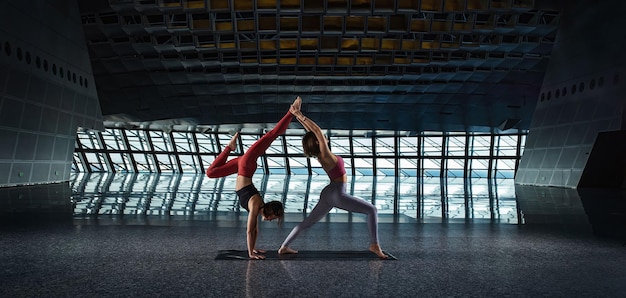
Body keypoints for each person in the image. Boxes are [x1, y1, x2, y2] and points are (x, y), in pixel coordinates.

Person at [278, 96, 388, 259]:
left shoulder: (323, 156)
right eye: (319, 139)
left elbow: (312, 132)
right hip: (337, 193)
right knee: (372, 210)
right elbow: (316, 131)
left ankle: (284, 247)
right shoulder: (326, 155)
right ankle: (374, 245)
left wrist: (297, 115)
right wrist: (299, 115)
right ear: (317, 143)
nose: (322, 137)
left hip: (329, 192)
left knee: (308, 222)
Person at [206, 97, 301, 259]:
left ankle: (230, 147)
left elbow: (254, 229)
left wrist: (254, 248)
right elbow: (250, 230)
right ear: (270, 212)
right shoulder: (257, 203)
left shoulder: (258, 207)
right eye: (273, 217)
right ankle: (290, 112)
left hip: (242, 166)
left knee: (211, 172)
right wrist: (250, 253)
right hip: (246, 164)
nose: (271, 220)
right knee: (270, 136)